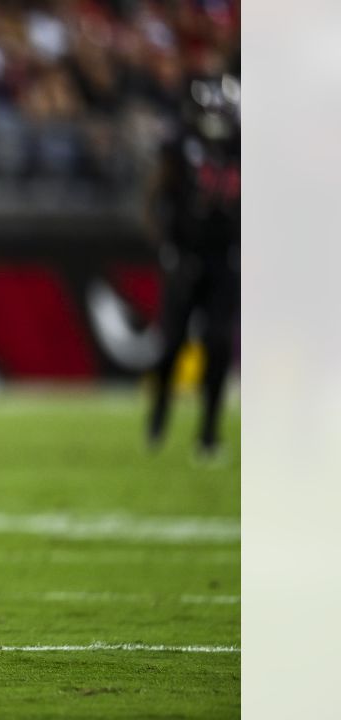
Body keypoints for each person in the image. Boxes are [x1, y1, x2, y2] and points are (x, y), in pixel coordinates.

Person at [145, 72, 240, 462]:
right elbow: (153, 199)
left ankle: (209, 433)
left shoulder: (242, 147)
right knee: (173, 345)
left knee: (218, 344)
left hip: (224, 260)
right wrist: (168, 247)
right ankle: (159, 416)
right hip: (186, 257)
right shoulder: (179, 146)